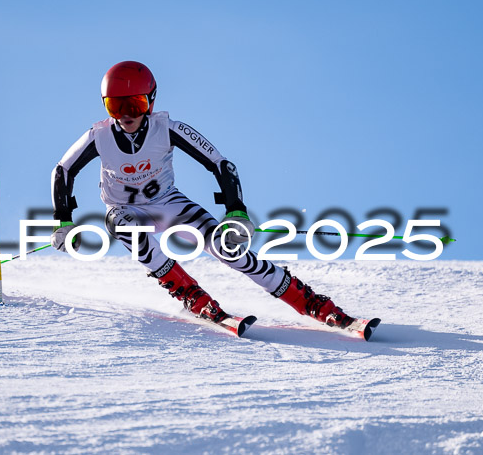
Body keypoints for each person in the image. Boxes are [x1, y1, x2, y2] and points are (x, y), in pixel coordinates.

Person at [50, 60, 360, 329]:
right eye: (115, 106)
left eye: (136, 105)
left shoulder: (168, 129)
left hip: (168, 205)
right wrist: (63, 221)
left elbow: (220, 164)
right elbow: (62, 171)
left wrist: (236, 212)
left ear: (151, 101)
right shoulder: (99, 136)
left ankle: (311, 303)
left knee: (229, 249)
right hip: (124, 209)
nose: (127, 115)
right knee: (124, 226)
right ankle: (191, 294)